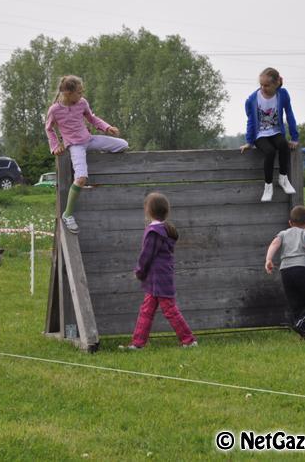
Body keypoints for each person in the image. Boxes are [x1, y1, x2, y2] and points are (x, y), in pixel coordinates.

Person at [46, 75, 128, 234]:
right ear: (68, 93)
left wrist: (107, 127)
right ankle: (68, 214)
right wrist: (55, 145)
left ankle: (98, 157)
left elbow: (91, 118)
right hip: (75, 146)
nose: (81, 95)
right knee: (81, 178)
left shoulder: (82, 103)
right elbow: (48, 128)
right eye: (78, 92)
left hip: (89, 140)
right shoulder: (55, 110)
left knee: (122, 145)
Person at [121, 193, 197, 350]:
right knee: (146, 310)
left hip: (158, 279)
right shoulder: (163, 230)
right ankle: (138, 343)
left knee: (170, 310)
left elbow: (146, 256)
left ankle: (189, 341)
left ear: (148, 211)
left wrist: (139, 271)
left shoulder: (154, 232)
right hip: (157, 280)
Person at [265, 205, 305, 338]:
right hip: (302, 268)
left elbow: (274, 244)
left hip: (285, 271)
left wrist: (268, 260)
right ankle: (302, 323)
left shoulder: (283, 233)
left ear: (290, 223)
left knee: (297, 302)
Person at [240, 67, 300, 202]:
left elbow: (289, 115)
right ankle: (268, 186)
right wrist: (249, 142)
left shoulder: (283, 94)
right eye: (261, 85)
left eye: (267, 85)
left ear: (276, 83)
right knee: (270, 151)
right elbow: (250, 120)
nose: (263, 88)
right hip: (260, 134)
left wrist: (294, 137)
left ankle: (283, 178)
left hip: (275, 131)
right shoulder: (252, 99)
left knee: (283, 145)